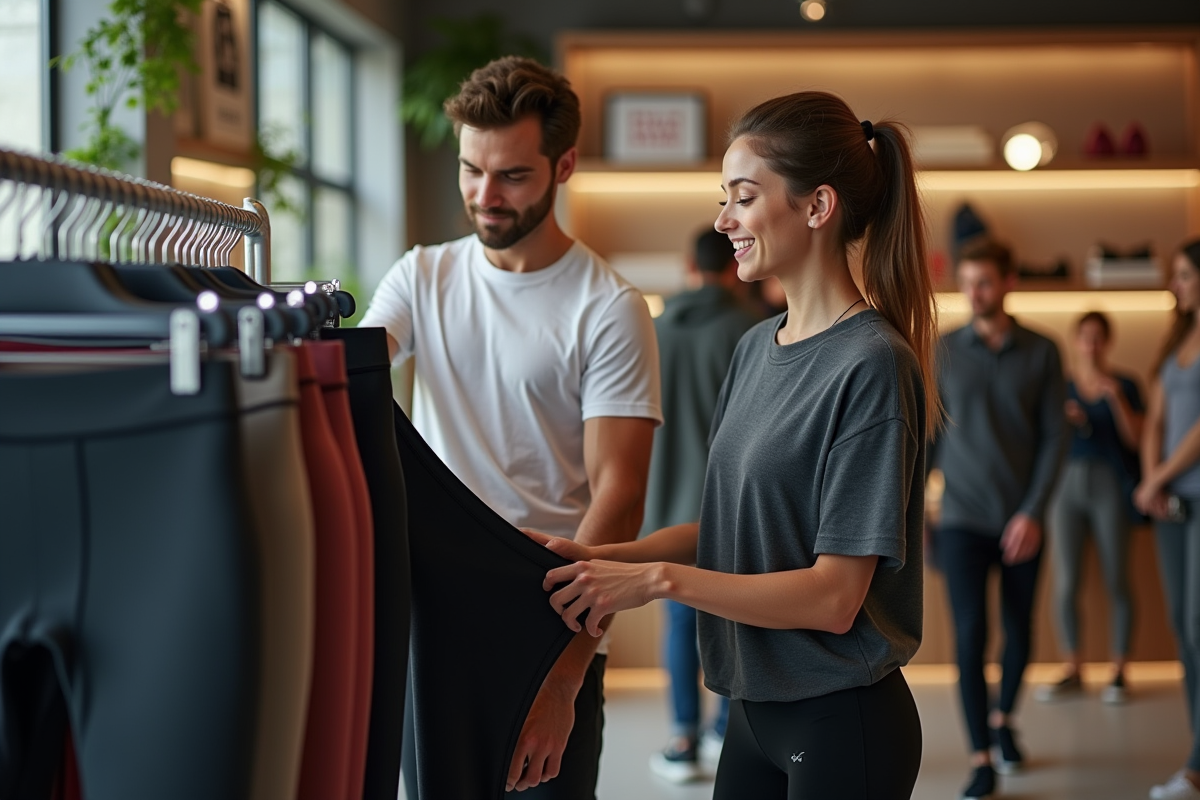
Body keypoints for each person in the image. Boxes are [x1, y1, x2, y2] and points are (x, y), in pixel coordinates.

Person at [526, 90, 940, 799]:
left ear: (816, 207)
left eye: (743, 198)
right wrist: (601, 557)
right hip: (754, 710)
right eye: (725, 199)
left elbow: (835, 597)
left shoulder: (872, 363)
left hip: (843, 719)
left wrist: (655, 583)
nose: (723, 222)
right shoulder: (755, 348)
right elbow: (730, 531)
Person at [358, 56, 663, 799]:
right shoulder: (421, 277)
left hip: (546, 615)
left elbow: (618, 500)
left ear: (564, 165)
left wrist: (563, 676)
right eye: (470, 170)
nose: (483, 196)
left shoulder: (608, 308)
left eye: (511, 177)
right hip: (430, 613)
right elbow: (348, 388)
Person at [931, 237, 1068, 800]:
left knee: (1019, 632)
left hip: (1022, 521)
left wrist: (1033, 513)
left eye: (984, 282)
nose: (973, 293)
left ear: (1009, 282)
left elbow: (1055, 440)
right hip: (961, 519)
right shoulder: (942, 350)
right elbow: (930, 437)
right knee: (969, 636)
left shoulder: (1043, 351)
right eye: (966, 283)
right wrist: (913, 512)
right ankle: (981, 757)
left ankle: (1002, 718)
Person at [643, 229, 758, 783]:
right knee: (734, 619)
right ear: (732, 265)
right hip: (730, 511)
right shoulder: (752, 331)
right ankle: (721, 732)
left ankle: (682, 737)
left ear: (689, 265)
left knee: (678, 620)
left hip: (670, 509)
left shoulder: (655, 331)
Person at [1037, 311, 1143, 705]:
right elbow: (1041, 437)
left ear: (1108, 342)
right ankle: (1074, 666)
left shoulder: (1126, 384)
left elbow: (1137, 440)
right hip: (1064, 483)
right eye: (1085, 338)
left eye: (1099, 338)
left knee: (1118, 576)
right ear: (1076, 341)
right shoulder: (1061, 387)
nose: (1092, 345)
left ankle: (1119, 669)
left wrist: (1115, 398)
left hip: (1109, 483)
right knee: (1066, 580)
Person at [1134, 239, 1200, 800]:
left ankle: (1197, 767)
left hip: (1194, 496)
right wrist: (1152, 474)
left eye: (1183, 275)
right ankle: (1197, 753)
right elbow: (1156, 416)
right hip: (1171, 505)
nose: (1175, 284)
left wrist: (1154, 479)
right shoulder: (1176, 339)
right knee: (1184, 628)